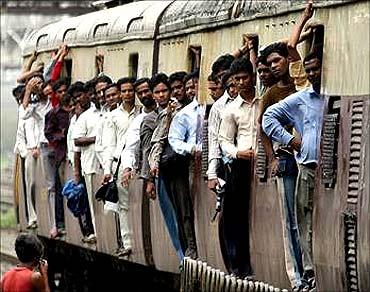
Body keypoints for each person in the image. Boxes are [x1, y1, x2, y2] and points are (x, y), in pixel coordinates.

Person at [262, 50, 323, 292]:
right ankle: (309, 274)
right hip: (307, 167)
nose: (312, 74)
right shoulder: (302, 98)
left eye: (316, 69)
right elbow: (267, 119)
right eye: (309, 70)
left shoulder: (334, 94)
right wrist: (291, 141)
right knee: (304, 221)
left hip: (330, 168)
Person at [218, 57, 260, 278]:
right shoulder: (231, 110)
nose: (242, 82)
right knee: (235, 216)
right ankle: (238, 265)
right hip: (240, 163)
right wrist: (237, 153)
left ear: (252, 78)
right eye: (237, 79)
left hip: (261, 159)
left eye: (245, 78)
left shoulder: (263, 100)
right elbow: (224, 140)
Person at [102, 78, 141, 258]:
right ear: (119, 94)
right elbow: (109, 144)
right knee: (123, 205)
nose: (127, 94)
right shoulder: (113, 116)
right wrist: (108, 170)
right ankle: (126, 243)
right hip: (119, 164)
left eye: (130, 90)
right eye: (123, 91)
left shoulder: (140, 112)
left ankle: (139, 241)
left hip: (137, 162)